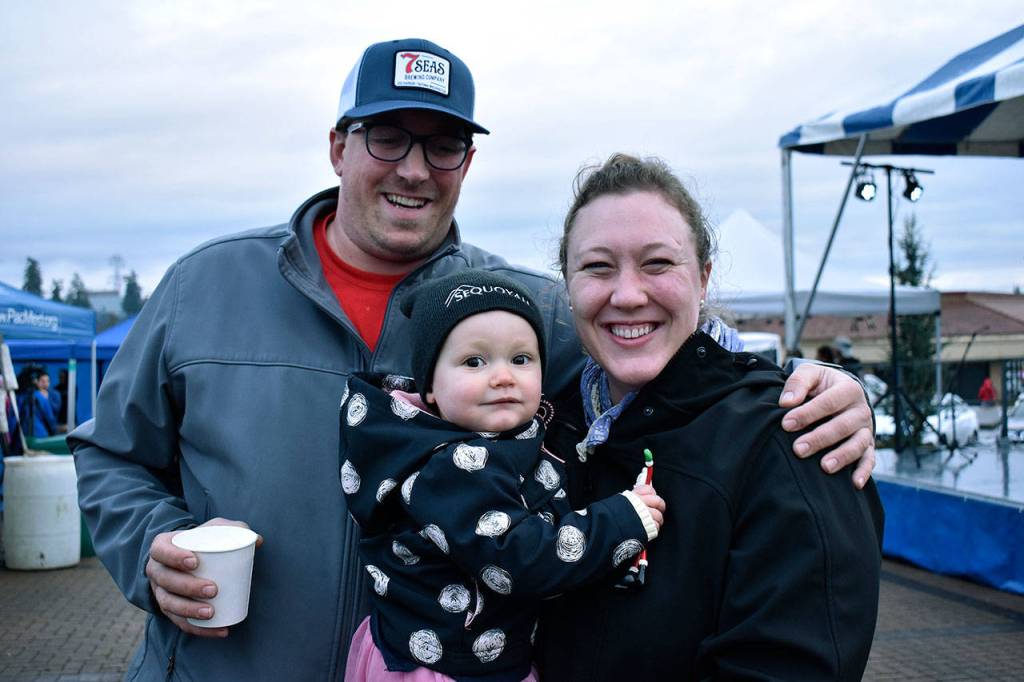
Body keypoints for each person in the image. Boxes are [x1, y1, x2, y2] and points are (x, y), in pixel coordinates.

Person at [69, 38, 875, 681]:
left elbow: (650, 344)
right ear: (337, 146)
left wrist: (820, 388)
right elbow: (109, 455)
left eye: (445, 144)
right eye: (388, 137)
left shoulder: (520, 312)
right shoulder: (206, 287)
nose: (415, 167)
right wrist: (150, 548)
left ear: (468, 163)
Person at [536, 154, 884, 680]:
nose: (627, 295)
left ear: (703, 278)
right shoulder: (542, 427)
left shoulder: (794, 439)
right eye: (597, 266)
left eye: (657, 263)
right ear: (567, 284)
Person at [342, 270, 664, 680]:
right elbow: (517, 559)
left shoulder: (512, 439)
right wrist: (622, 520)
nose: (503, 376)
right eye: (474, 361)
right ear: (431, 389)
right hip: (446, 669)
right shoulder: (448, 465)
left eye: (521, 359)